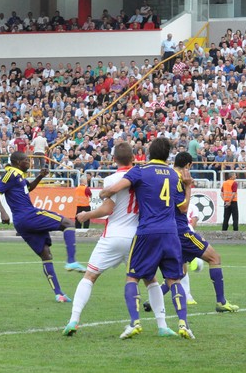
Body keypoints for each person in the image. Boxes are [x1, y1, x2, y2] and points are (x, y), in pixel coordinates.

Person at [64, 143, 175, 337]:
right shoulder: (144, 175)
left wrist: (86, 215)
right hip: (137, 237)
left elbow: (107, 210)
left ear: (113, 159)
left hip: (113, 235)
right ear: (134, 157)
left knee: (90, 276)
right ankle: (162, 325)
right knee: (151, 280)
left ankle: (74, 319)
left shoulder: (111, 179)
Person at [99, 137, 194, 340]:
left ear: (150, 152)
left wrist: (104, 193)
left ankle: (135, 322)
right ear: (167, 155)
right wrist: (188, 186)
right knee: (174, 279)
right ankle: (184, 324)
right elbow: (184, 208)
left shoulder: (140, 170)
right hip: (170, 233)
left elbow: (117, 187)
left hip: (147, 231)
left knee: (132, 276)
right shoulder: (174, 175)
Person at [148, 152, 239, 313]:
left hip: (168, 230)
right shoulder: (179, 180)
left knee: (179, 272)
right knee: (215, 258)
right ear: (188, 165)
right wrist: (188, 186)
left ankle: (152, 301)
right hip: (182, 231)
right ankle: (221, 302)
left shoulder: (167, 176)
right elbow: (183, 208)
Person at [0, 152, 77, 303]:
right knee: (68, 223)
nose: (28, 163)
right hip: (28, 215)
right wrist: (2, 212)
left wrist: (40, 177)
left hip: (22, 221)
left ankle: (59, 294)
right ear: (17, 162)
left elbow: (28, 188)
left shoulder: (19, 176)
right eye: (25, 160)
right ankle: (71, 261)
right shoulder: (10, 174)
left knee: (46, 255)